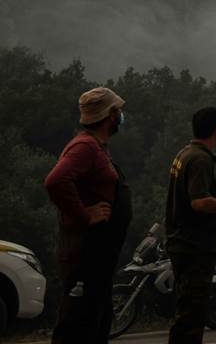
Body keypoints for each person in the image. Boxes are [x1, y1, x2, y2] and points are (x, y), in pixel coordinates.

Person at [44, 87, 132, 344]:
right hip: (85, 252)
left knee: (96, 323)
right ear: (110, 115)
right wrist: (84, 214)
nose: (122, 115)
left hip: (99, 255)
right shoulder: (84, 147)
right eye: (119, 110)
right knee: (76, 326)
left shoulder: (97, 147)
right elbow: (55, 181)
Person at [166, 107, 216, 344]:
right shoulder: (200, 159)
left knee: (185, 310)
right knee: (192, 316)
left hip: (181, 242)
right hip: (194, 247)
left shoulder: (184, 153)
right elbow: (198, 202)